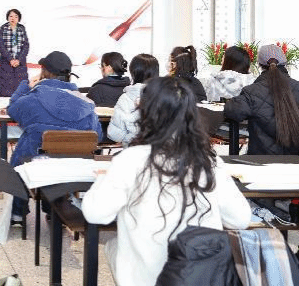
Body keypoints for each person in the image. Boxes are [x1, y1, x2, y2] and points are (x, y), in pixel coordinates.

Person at [82, 77, 251, 286]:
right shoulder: (208, 162)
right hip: (200, 276)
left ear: (146, 113)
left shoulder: (130, 160)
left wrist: (102, 179)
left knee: (114, 245)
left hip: (147, 279)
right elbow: (241, 219)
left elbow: (95, 213)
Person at [7, 50, 102, 165]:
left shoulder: (32, 99)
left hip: (33, 169)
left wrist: (26, 86)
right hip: (76, 170)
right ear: (69, 75)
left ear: (44, 73)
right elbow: (98, 136)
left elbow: (13, 109)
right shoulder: (88, 106)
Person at [224, 44, 299, 155]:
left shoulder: (251, 91)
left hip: (260, 160)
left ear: (260, 65)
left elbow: (232, 111)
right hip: (295, 161)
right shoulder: (297, 87)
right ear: (285, 63)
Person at [107, 53, 160, 145]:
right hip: (160, 150)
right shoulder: (165, 96)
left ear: (133, 72)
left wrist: (129, 139)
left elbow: (114, 134)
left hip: (132, 149)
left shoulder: (125, 98)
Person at [0, 8, 30, 97]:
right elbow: (0, 45)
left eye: (16, 16)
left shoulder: (22, 28)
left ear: (19, 18)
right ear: (7, 18)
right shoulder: (3, 28)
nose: (13, 18)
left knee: (20, 87)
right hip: (6, 61)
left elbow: (26, 45)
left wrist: (19, 59)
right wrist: (10, 59)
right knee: (6, 86)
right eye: (11, 16)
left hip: (20, 61)